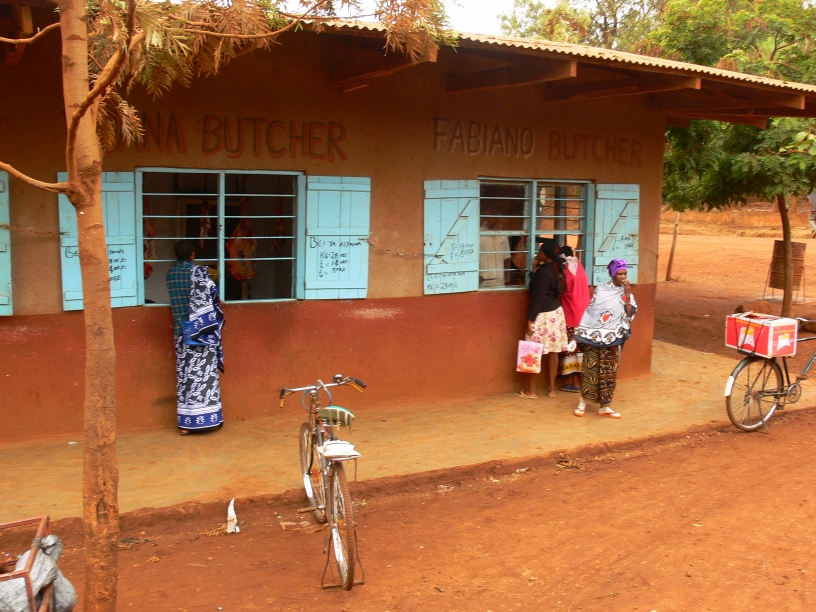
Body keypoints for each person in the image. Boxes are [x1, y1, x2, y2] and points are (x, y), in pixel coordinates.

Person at [167, 240, 225, 435]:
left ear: (176, 255)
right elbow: (210, 297)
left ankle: (186, 425)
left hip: (180, 332)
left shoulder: (170, 274)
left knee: (185, 377)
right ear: (192, 254)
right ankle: (210, 421)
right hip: (202, 332)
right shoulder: (198, 272)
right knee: (206, 377)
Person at [573, 259, 637, 419]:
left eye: (625, 273)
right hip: (594, 336)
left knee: (609, 372)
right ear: (613, 274)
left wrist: (627, 295)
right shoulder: (601, 290)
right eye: (620, 273)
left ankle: (605, 406)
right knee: (590, 369)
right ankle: (582, 402)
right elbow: (592, 311)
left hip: (614, 338)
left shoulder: (627, 294)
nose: (623, 277)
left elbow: (629, 314)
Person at [517, 238, 569, 399]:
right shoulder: (557, 269)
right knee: (553, 351)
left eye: (540, 251)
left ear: (545, 254)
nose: (538, 253)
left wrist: (530, 320)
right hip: (556, 313)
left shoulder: (543, 273)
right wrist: (534, 268)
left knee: (533, 351)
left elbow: (537, 298)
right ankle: (551, 389)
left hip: (542, 315)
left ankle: (531, 391)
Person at [557, 246, 590, 392]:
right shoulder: (580, 267)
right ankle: (585, 383)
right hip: (585, 317)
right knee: (583, 351)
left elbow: (560, 290)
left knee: (572, 351)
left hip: (571, 316)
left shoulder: (565, 272)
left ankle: (575, 384)